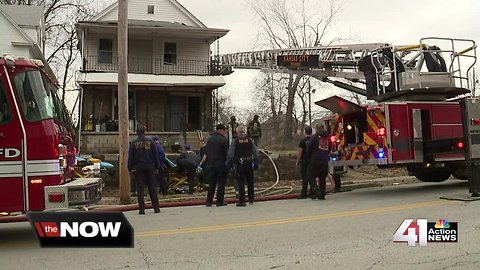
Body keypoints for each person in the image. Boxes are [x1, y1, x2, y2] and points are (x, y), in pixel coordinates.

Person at [128, 125, 160, 214]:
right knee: (152, 187)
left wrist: (129, 168)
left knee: (140, 188)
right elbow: (155, 156)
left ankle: (142, 209)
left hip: (139, 167)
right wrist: (157, 167)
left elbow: (130, 157)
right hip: (150, 166)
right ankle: (156, 208)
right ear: (145, 132)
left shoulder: (133, 143)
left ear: (137, 132)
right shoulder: (151, 142)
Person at [226, 126, 260, 207]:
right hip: (249, 163)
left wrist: (228, 163)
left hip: (240, 163)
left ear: (237, 133)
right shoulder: (250, 140)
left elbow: (230, 154)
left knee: (240, 182)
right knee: (250, 181)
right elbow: (256, 153)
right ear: (245, 132)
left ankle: (242, 201)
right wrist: (256, 162)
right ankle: (251, 199)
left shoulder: (235, 141)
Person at [200, 124, 229, 207]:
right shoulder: (223, 140)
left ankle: (209, 201)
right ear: (222, 130)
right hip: (221, 165)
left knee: (211, 184)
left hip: (211, 165)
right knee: (221, 184)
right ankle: (219, 201)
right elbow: (226, 153)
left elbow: (207, 152)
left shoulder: (210, 139)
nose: (225, 132)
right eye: (225, 131)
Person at [305, 124, 330, 200]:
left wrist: (308, 157)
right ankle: (322, 194)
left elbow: (309, 148)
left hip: (315, 161)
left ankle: (316, 189)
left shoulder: (314, 137)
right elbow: (330, 148)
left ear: (316, 129)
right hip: (325, 161)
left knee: (310, 175)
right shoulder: (327, 138)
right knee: (322, 178)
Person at [296, 126, 313, 199]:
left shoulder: (302, 141)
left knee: (304, 177)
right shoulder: (314, 140)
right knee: (312, 177)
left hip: (304, 161)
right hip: (312, 161)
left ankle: (303, 194)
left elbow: (300, 152)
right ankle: (312, 192)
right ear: (311, 132)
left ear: (305, 132)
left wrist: (298, 160)